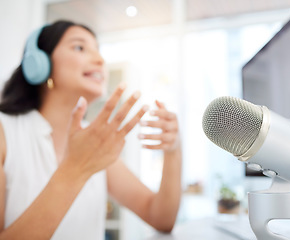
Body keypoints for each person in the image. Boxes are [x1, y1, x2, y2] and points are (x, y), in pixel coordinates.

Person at [0, 20, 182, 240]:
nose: (100, 59)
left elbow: (161, 218)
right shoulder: (5, 132)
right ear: (39, 64)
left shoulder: (94, 140)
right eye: (80, 47)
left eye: (98, 50)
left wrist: (173, 151)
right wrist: (76, 169)